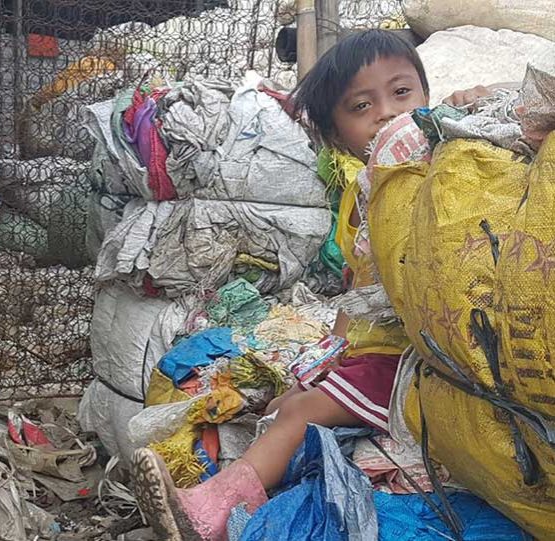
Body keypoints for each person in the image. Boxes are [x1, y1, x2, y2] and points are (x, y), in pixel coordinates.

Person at [130, 29, 489, 541]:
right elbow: (356, 291)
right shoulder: (360, 199)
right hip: (378, 350)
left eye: (402, 93)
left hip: (419, 360)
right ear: (338, 137)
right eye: (363, 106)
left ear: (426, 96)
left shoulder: (438, 163)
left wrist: (467, 106)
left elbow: (503, 118)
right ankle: (256, 493)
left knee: (300, 412)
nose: (387, 113)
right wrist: (328, 357)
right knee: (284, 402)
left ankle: (209, 513)